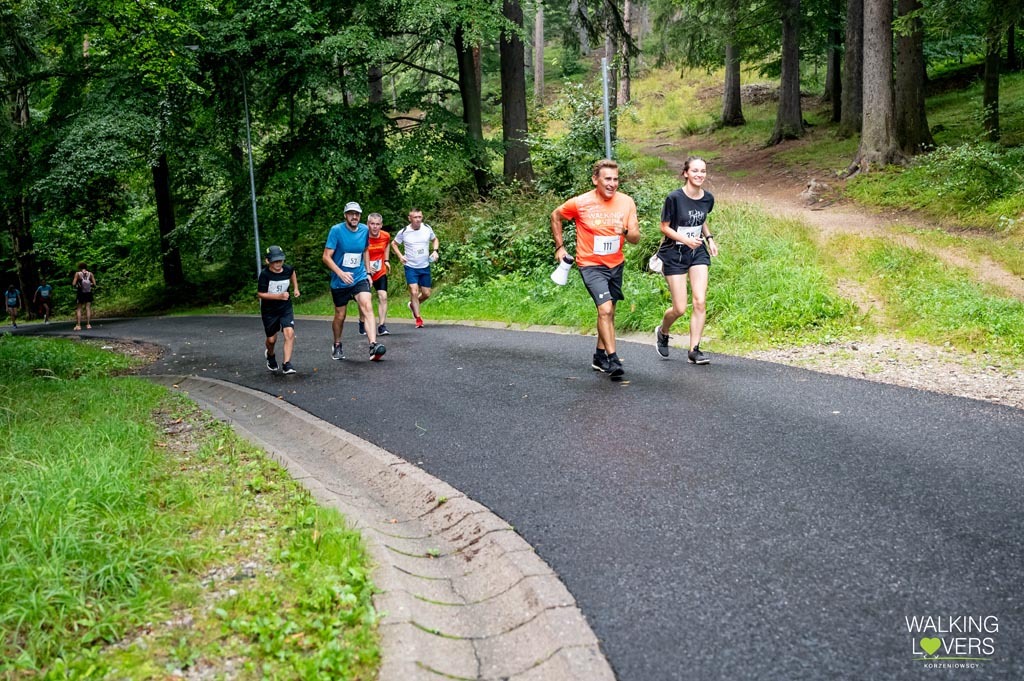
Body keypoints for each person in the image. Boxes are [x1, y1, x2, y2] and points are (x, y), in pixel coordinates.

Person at [551, 159, 640, 378]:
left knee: (609, 311)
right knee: (605, 309)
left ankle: (599, 356)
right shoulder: (580, 203)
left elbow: (636, 239)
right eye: (607, 179)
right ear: (595, 180)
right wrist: (560, 247)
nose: (612, 184)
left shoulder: (626, 202)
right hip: (590, 264)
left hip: (616, 264)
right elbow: (556, 216)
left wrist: (624, 231)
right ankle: (613, 360)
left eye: (616, 179)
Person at [653, 156, 719, 365]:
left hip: (697, 252)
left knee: (700, 301)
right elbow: (664, 227)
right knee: (679, 308)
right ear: (686, 173)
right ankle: (663, 331)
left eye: (703, 171)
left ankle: (694, 350)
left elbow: (701, 219)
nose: (699, 175)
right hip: (674, 253)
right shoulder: (674, 198)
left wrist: (709, 239)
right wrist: (685, 239)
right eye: (695, 171)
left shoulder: (708, 198)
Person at [322, 201, 387, 361]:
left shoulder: (364, 230)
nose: (354, 217)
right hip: (340, 280)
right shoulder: (336, 230)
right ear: (345, 215)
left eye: (357, 214)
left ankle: (373, 345)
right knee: (340, 315)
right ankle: (337, 344)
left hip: (359, 277)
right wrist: (340, 273)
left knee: (367, 305)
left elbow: (365, 250)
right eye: (351, 214)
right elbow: (326, 257)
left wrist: (367, 272)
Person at [257, 245, 301, 375]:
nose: (278, 264)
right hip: (269, 310)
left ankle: (287, 364)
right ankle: (270, 355)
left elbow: (292, 273)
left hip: (285, 307)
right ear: (267, 261)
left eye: (280, 260)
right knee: (271, 340)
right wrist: (279, 296)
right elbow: (261, 294)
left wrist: (296, 288)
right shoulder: (265, 275)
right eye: (275, 261)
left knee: (289, 333)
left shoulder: (287, 269)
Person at [392, 208, 439, 329]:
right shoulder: (404, 231)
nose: (418, 220)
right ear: (410, 218)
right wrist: (400, 256)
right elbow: (394, 244)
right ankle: (418, 319)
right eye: (415, 217)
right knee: (414, 291)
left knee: (426, 294)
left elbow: (435, 239)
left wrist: (435, 251)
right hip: (411, 266)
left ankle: (412, 304)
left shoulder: (427, 228)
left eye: (420, 217)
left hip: (424, 266)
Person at [358, 212, 392, 336]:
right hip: (364, 272)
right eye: (372, 224)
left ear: (381, 225)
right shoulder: (362, 236)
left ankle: (382, 326)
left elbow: (387, 244)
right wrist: (365, 267)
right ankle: (362, 321)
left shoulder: (385, 236)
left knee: (383, 296)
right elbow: (357, 252)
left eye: (377, 224)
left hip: (380, 271)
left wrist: (386, 260)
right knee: (365, 299)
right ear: (368, 224)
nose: (375, 227)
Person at [72, 263, 95, 331]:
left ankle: (79, 325)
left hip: (80, 292)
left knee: (79, 309)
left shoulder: (77, 274)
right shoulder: (90, 274)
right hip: (88, 292)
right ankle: (88, 324)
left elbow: (73, 283)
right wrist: (89, 284)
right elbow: (94, 284)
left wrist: (77, 284)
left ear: (79, 267)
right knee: (88, 308)